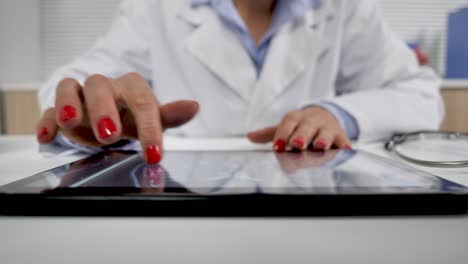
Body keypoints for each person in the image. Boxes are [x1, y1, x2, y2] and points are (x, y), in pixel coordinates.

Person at [36, 0, 443, 164]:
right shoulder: (157, 7)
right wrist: (87, 110)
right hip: (184, 226)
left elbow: (421, 93)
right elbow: (73, 81)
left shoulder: (342, 7)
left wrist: (339, 114)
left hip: (310, 225)